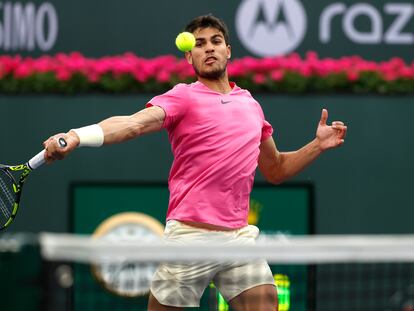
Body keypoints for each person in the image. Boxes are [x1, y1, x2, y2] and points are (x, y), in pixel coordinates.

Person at [44, 14, 347, 311]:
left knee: (266, 304)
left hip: (238, 237)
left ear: (228, 50)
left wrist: (318, 145)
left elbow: (276, 168)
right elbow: (133, 124)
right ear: (190, 57)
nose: (209, 48)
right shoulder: (183, 97)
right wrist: (77, 136)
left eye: (216, 41)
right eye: (200, 44)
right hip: (189, 237)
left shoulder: (251, 106)